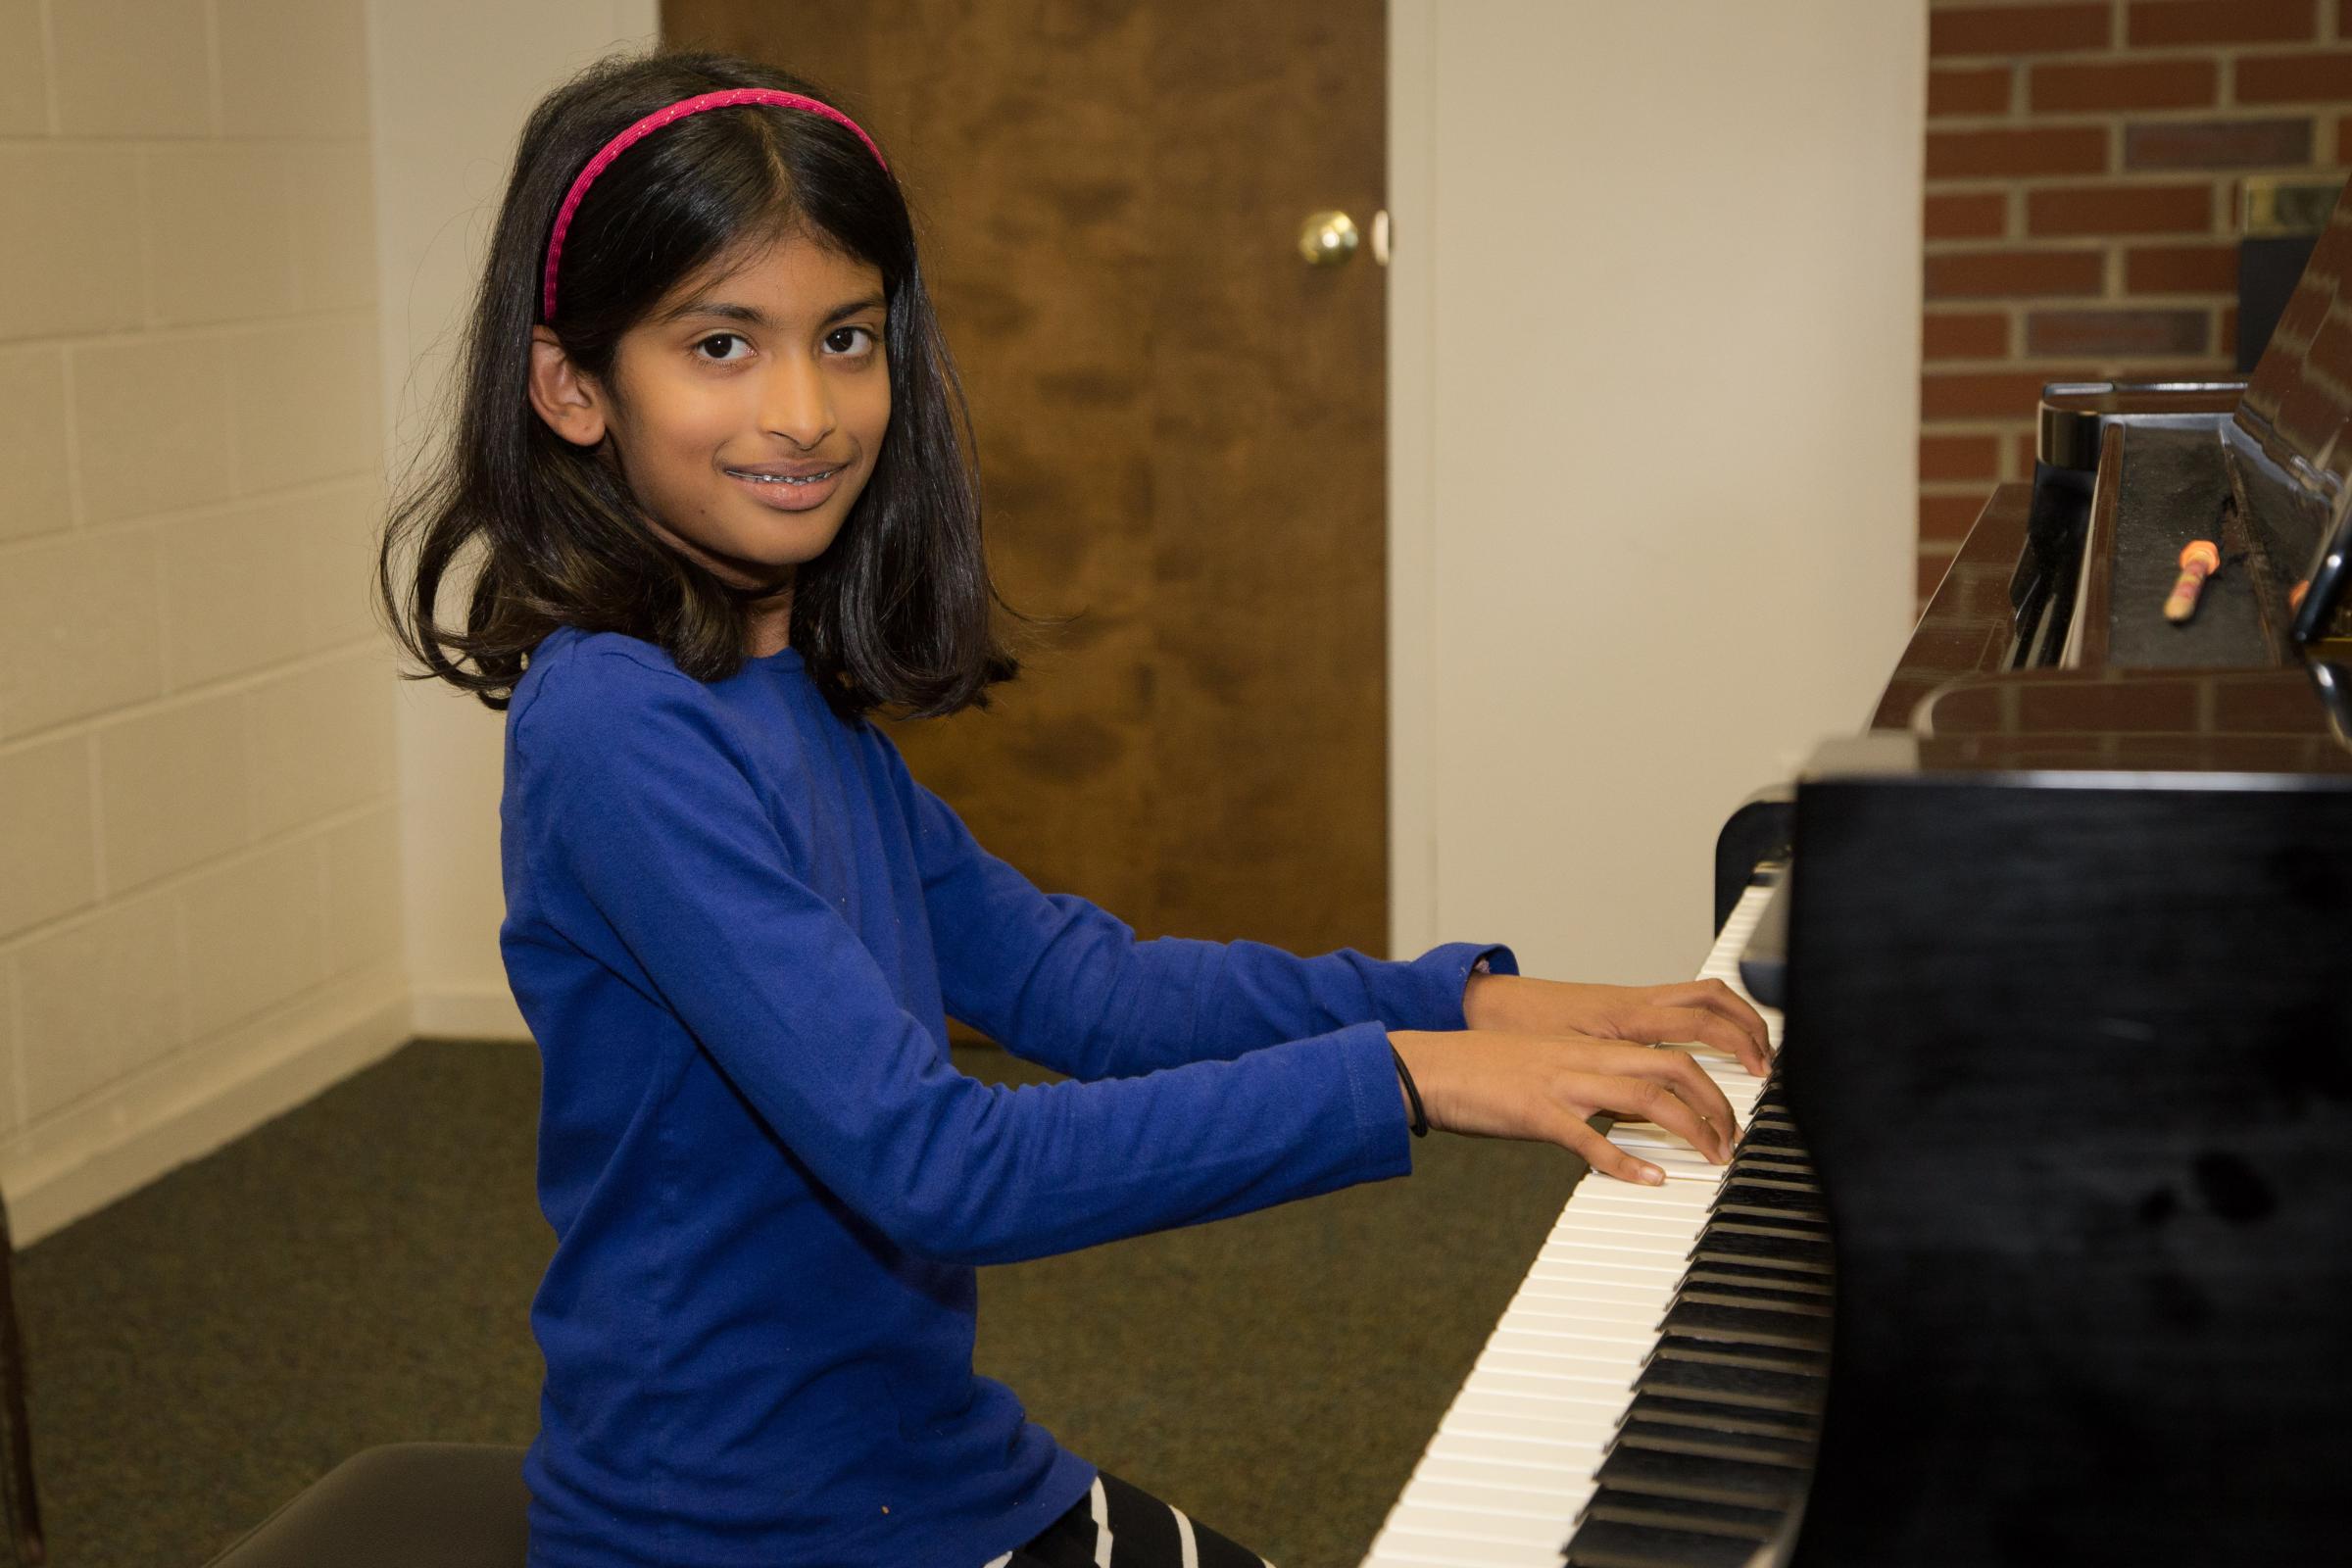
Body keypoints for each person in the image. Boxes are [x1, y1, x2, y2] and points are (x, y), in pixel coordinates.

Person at [378, 49, 1772, 1568]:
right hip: (743, 1529)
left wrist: (1472, 1003)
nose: (804, 408)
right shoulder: (614, 725)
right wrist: (1408, 1077)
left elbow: (1072, 984)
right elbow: (938, 1164)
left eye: (845, 336)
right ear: (572, 386)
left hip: (922, 1466)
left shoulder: (781, 684)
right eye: (722, 344)